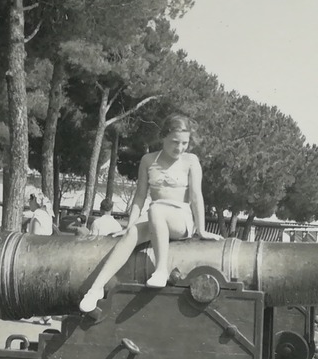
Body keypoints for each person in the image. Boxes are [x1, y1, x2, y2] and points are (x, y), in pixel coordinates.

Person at [78, 114, 222, 314]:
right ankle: (95, 289)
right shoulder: (148, 160)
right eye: (174, 142)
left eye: (184, 143)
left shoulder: (191, 160)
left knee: (156, 209)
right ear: (163, 137)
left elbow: (197, 196)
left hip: (180, 218)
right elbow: (139, 196)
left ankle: (161, 269)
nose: (179, 148)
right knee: (130, 235)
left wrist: (202, 229)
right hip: (155, 218)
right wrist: (129, 225)